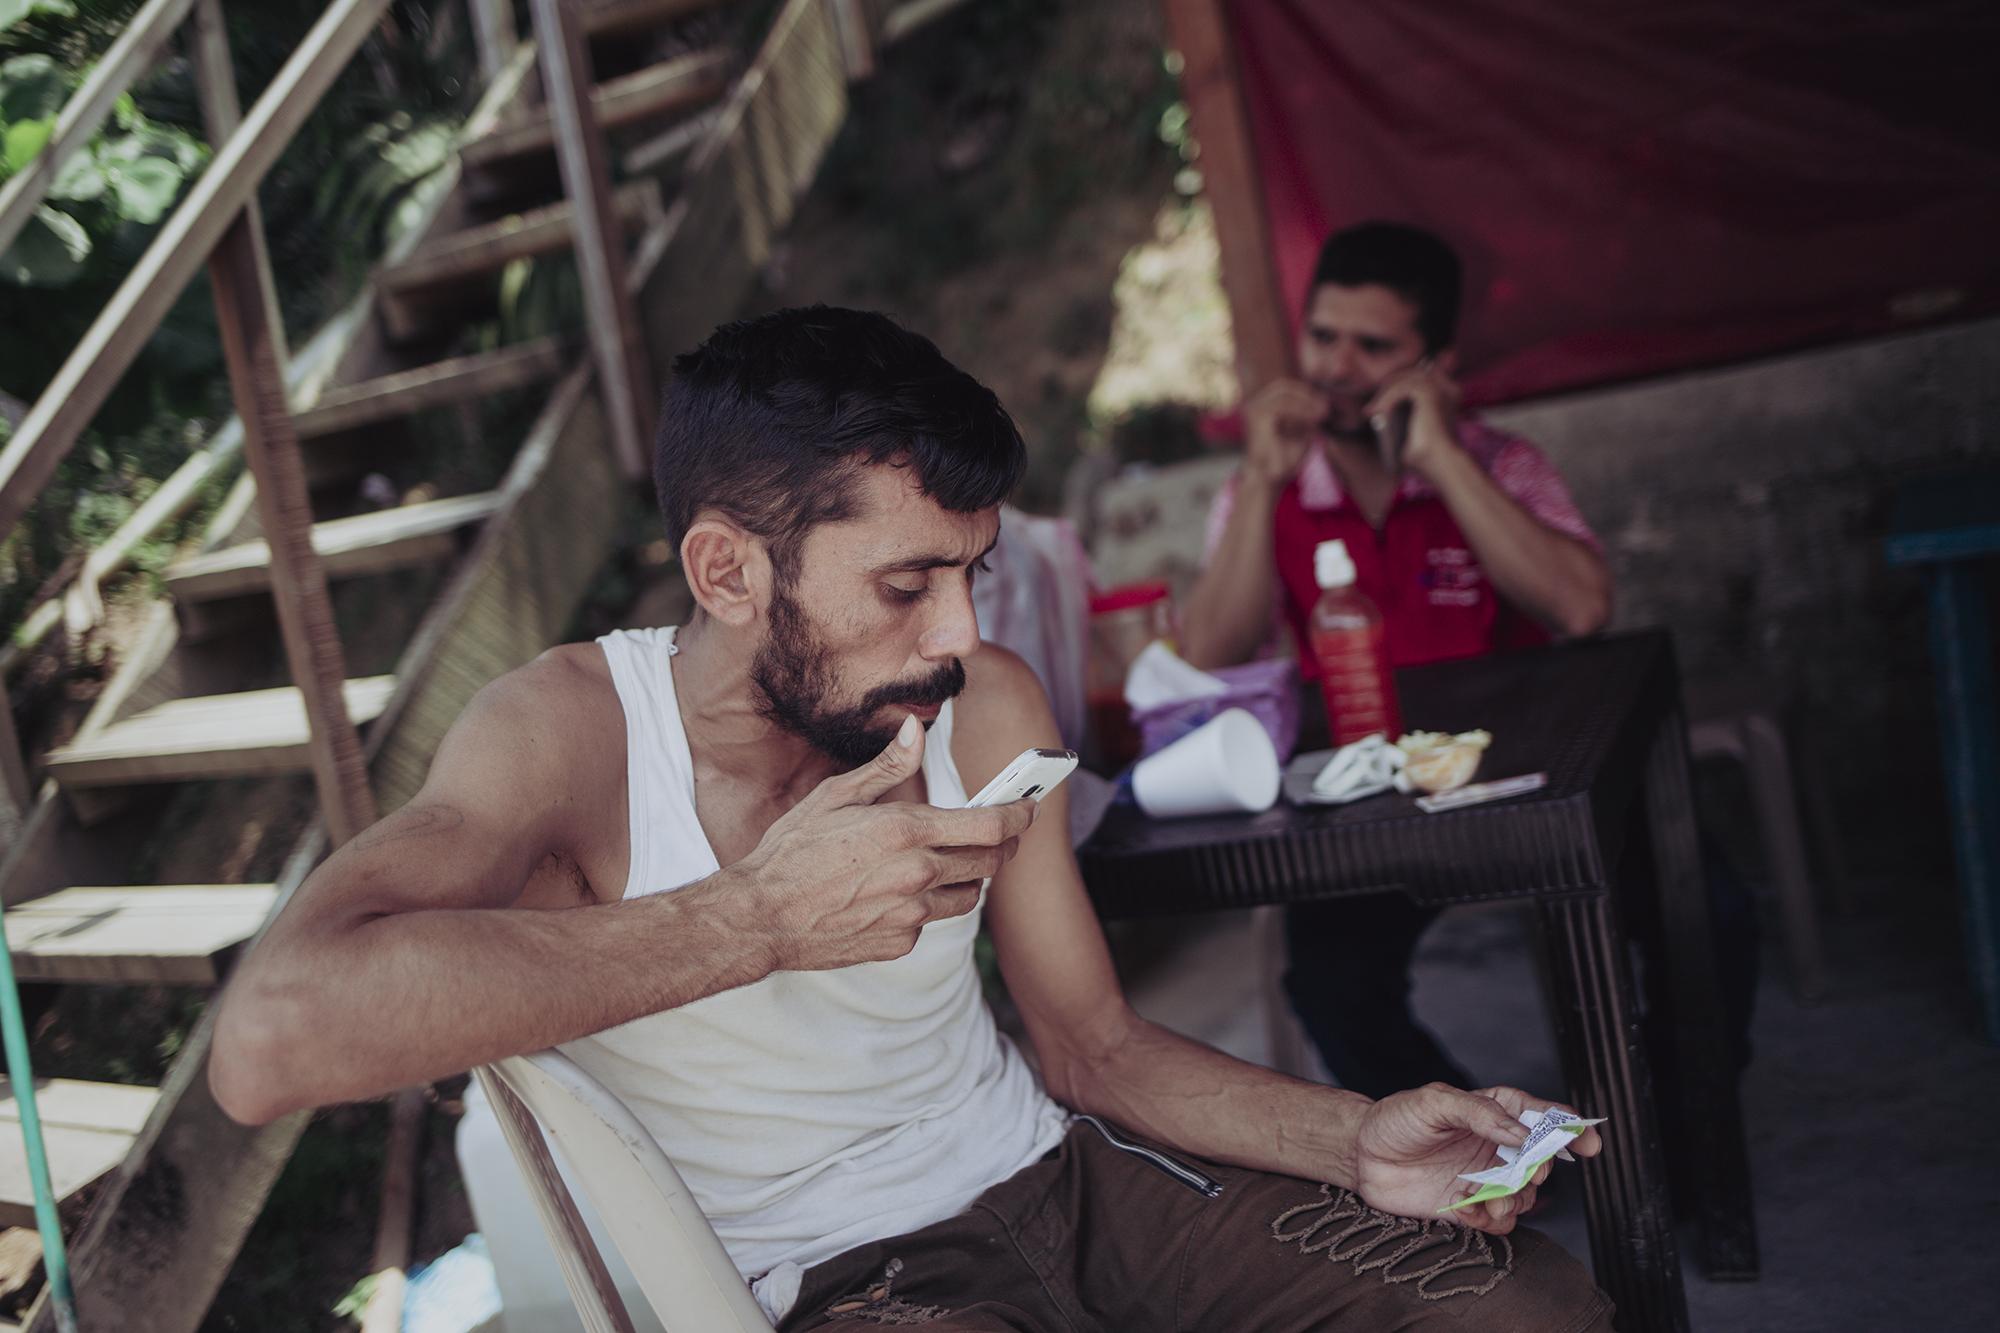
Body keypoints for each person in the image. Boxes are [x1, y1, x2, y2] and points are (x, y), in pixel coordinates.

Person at [209, 306, 1612, 1331]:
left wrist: (1352, 1138)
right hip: (845, 1282)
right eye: (905, 585)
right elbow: (271, 1041)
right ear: (726, 569)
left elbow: (1090, 1042)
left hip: (1067, 1180)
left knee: (1523, 1313)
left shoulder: (984, 705)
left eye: (976, 572)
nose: (961, 634)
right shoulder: (569, 738)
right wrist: (754, 919)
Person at [1180, 222, 1614, 1099]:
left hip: (1529, 788)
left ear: (1437, 364)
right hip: (1368, 803)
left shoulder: (1500, 464)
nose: (1337, 367)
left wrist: (1442, 457)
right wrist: (1262, 481)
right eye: (1323, 338)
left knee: (1699, 910)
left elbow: (1584, 608)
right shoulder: (1268, 484)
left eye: (1374, 346)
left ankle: (1665, 1135)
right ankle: (1490, 1151)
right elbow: (1205, 657)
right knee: (1332, 983)